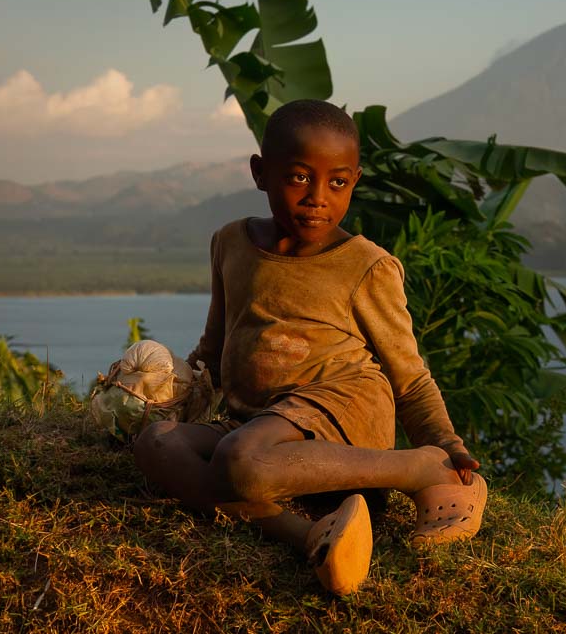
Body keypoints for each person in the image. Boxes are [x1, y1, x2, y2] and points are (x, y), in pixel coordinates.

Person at [133, 99, 485, 595]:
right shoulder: (230, 243)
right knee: (157, 443)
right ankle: (310, 536)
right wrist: (164, 391)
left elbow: (409, 375)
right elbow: (213, 347)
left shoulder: (366, 265)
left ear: (353, 182)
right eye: (299, 178)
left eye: (337, 183)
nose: (317, 197)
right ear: (261, 173)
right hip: (258, 425)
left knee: (238, 461)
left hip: (343, 406)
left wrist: (447, 444)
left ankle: (418, 467)